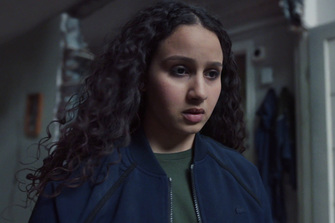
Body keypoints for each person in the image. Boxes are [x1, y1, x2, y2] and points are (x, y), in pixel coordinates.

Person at [27, 1, 272, 222]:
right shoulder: (79, 183)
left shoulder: (244, 175)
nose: (199, 92)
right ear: (142, 77)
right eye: (180, 70)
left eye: (211, 74)